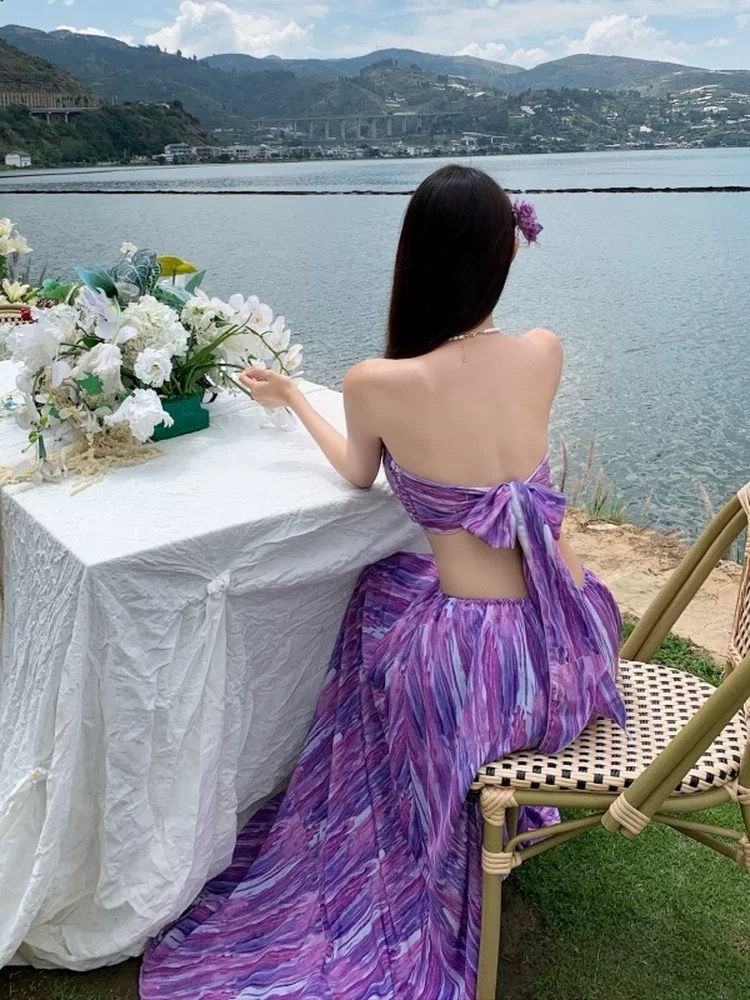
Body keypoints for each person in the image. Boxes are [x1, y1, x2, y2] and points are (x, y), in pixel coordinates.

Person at [140, 165, 626, 1000]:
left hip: (476, 676)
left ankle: (367, 808)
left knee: (375, 606)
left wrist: (296, 399)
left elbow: (357, 474)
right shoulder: (544, 351)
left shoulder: (377, 383)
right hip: (570, 644)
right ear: (507, 252)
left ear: (416, 260)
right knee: (394, 577)